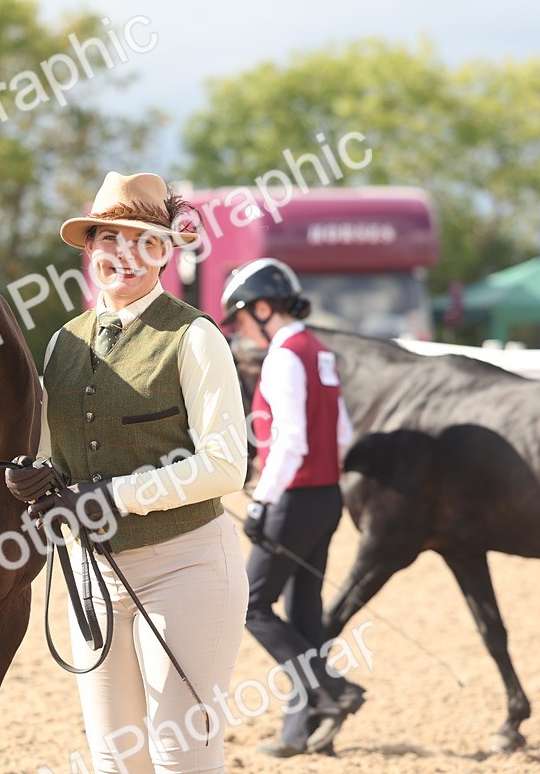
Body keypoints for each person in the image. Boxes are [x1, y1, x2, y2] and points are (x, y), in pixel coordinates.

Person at [5, 171, 249, 774]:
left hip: (187, 564)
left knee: (181, 753)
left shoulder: (195, 337)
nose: (126, 255)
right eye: (110, 239)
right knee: (114, 758)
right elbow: (58, 451)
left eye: (145, 241)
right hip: (93, 570)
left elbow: (226, 465)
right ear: (90, 250)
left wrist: (114, 495)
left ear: (166, 252)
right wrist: (33, 477)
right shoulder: (63, 341)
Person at [220, 257, 365, 758]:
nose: (241, 329)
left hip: (294, 497)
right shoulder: (319, 351)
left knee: (252, 605)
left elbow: (291, 442)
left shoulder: (284, 355)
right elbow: (342, 435)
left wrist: (263, 500)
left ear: (263, 308)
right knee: (304, 613)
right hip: (327, 496)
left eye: (240, 317)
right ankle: (303, 734)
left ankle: (335, 689)